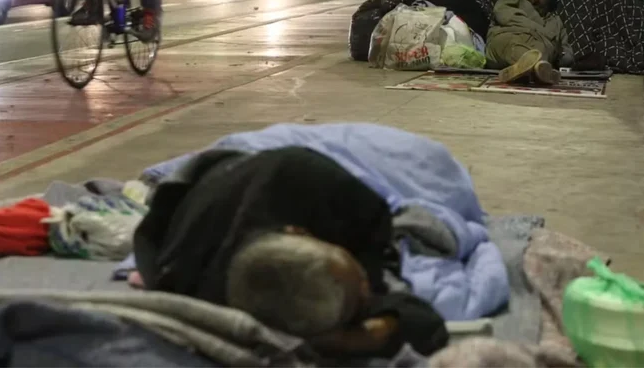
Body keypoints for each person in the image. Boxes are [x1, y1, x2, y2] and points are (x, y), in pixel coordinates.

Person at [133, 146, 449, 359]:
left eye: (360, 282)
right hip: (208, 194)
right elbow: (423, 322)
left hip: (249, 160)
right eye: (359, 298)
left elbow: (378, 230)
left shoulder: (311, 177)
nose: (368, 287)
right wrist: (357, 340)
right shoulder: (186, 282)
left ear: (299, 232)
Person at [485, 0, 574, 85]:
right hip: (507, 39)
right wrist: (548, 36)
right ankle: (536, 69)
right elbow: (505, 17)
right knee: (511, 45)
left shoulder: (556, 22)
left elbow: (566, 52)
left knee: (542, 50)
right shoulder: (512, 2)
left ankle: (522, 71)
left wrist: (561, 55)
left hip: (538, 47)